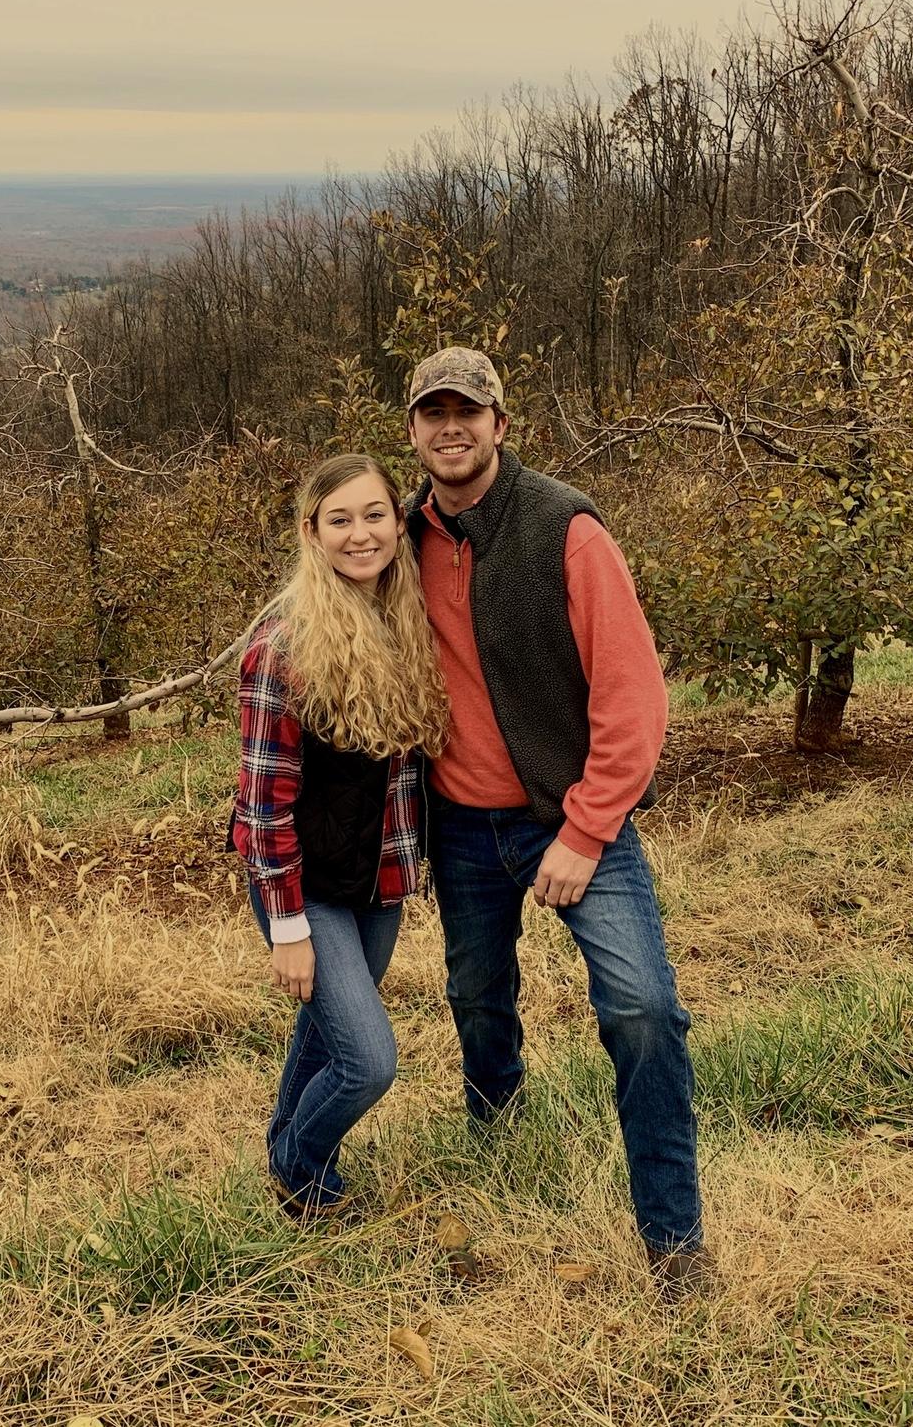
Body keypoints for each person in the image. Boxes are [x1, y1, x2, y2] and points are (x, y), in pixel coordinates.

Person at [402, 346, 709, 1294]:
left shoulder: (564, 530)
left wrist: (582, 831)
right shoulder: (398, 535)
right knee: (476, 994)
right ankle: (498, 1130)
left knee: (644, 1010)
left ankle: (674, 1240)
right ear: (412, 430)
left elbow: (633, 698)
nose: (452, 427)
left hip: (571, 819)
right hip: (458, 823)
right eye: (432, 412)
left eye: (470, 411)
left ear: (501, 423)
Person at [232, 453, 450, 1220]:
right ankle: (297, 1165)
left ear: (399, 522)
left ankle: (297, 1175)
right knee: (366, 1061)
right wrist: (287, 927)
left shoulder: (406, 624)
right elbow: (261, 805)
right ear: (310, 532)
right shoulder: (283, 646)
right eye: (340, 519)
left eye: (375, 515)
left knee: (327, 1036)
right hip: (308, 889)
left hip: (378, 884)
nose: (361, 534)